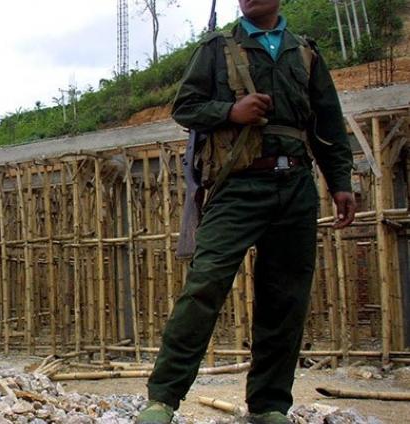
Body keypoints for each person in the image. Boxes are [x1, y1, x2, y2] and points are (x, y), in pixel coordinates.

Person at [136, 1, 355, 423]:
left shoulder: (305, 52)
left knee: (285, 298)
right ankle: (162, 399)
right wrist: (229, 112)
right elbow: (185, 106)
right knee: (205, 284)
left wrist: (340, 182)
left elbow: (327, 123)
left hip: (294, 186)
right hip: (237, 186)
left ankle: (269, 405)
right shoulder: (217, 48)